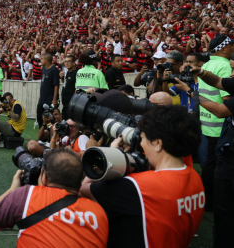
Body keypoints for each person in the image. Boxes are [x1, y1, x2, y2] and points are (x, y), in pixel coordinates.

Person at [80, 106, 205, 248]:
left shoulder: (139, 187)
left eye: (143, 138)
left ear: (158, 144)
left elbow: (84, 188)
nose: (140, 144)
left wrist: (111, 155)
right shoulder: (195, 178)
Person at [188, 48, 234, 248]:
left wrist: (192, 94)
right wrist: (200, 72)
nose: (231, 74)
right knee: (225, 213)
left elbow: (221, 111)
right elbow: (218, 82)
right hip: (233, 158)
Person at [0, 149, 109, 248]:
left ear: (44, 177)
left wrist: (12, 190)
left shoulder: (27, 195)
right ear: (80, 183)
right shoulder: (99, 213)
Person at [197, 34, 234, 211]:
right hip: (221, 123)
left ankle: (208, 200)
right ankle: (218, 202)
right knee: (219, 165)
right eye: (232, 44)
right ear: (223, 48)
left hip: (207, 122)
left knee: (210, 162)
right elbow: (227, 98)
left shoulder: (206, 64)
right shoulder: (225, 65)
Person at [36, 53, 60, 127]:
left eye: (42, 59)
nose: (41, 60)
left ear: (46, 60)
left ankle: (51, 136)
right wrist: (40, 96)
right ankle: (42, 137)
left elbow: (56, 85)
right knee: (40, 118)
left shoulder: (54, 70)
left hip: (50, 99)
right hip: (42, 98)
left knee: (50, 119)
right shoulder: (44, 69)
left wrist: (55, 99)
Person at [60, 55, 77, 120]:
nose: (66, 63)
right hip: (65, 101)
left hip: (71, 101)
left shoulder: (76, 73)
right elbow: (66, 84)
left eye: (69, 61)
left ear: (74, 63)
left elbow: (76, 87)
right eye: (65, 61)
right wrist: (62, 78)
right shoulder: (67, 72)